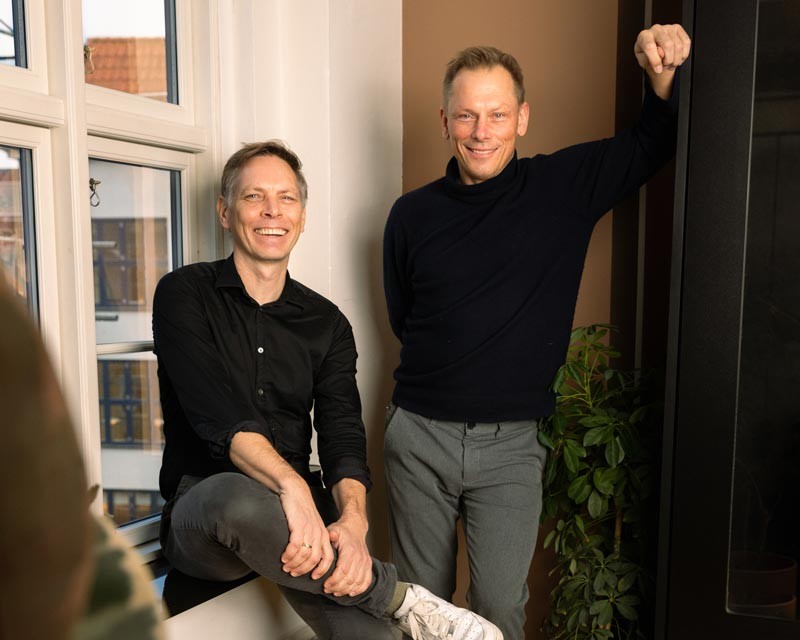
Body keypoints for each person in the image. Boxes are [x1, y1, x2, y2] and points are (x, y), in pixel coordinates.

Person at [382, 25, 691, 640]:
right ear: (444, 121)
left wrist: (660, 76)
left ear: (522, 118)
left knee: (499, 607)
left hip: (511, 445)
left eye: (497, 114)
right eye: (466, 115)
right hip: (418, 435)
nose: (481, 131)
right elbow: (405, 316)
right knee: (422, 611)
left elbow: (652, 142)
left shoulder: (563, 186)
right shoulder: (410, 214)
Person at [153, 140, 503, 640]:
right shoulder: (183, 293)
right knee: (236, 496)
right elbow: (219, 416)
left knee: (373, 636)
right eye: (254, 197)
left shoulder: (327, 323)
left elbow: (342, 434)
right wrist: (293, 487)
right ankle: (399, 597)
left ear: (302, 216)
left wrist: (354, 523)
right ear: (225, 213)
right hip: (205, 515)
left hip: (300, 525)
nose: (272, 211)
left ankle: (384, 605)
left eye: (287, 198)